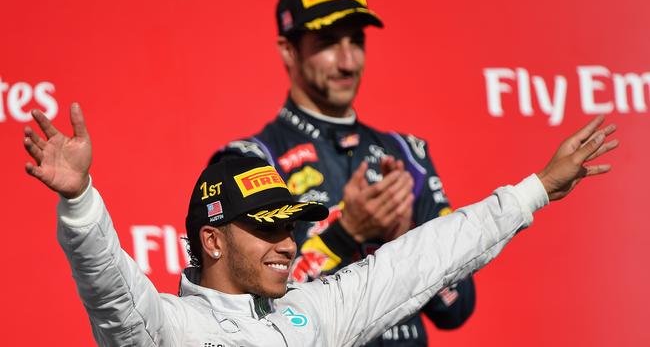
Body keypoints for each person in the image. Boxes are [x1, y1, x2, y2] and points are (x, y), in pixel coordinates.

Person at [23, 104, 617, 346]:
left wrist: (533, 190)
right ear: (212, 239)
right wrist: (79, 203)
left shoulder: (309, 315)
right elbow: (109, 287)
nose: (287, 245)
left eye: (290, 228)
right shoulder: (166, 329)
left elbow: (422, 259)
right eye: (267, 230)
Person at [210, 0, 475, 344]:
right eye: (329, 43)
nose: (348, 61)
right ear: (289, 51)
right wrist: (343, 234)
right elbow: (250, 315)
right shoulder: (251, 161)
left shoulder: (407, 154)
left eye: (356, 41)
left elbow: (457, 308)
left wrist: (406, 237)